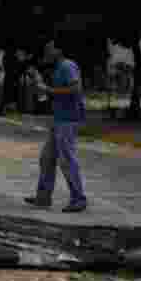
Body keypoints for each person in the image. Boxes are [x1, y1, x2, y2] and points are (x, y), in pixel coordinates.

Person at [25, 40, 88, 213]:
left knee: (67, 159)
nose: (46, 52)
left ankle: (78, 199)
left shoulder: (67, 66)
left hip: (68, 120)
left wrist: (49, 90)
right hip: (58, 119)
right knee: (46, 158)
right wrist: (40, 84)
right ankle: (43, 197)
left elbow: (76, 89)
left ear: (59, 50)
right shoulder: (58, 69)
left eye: (49, 49)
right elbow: (52, 94)